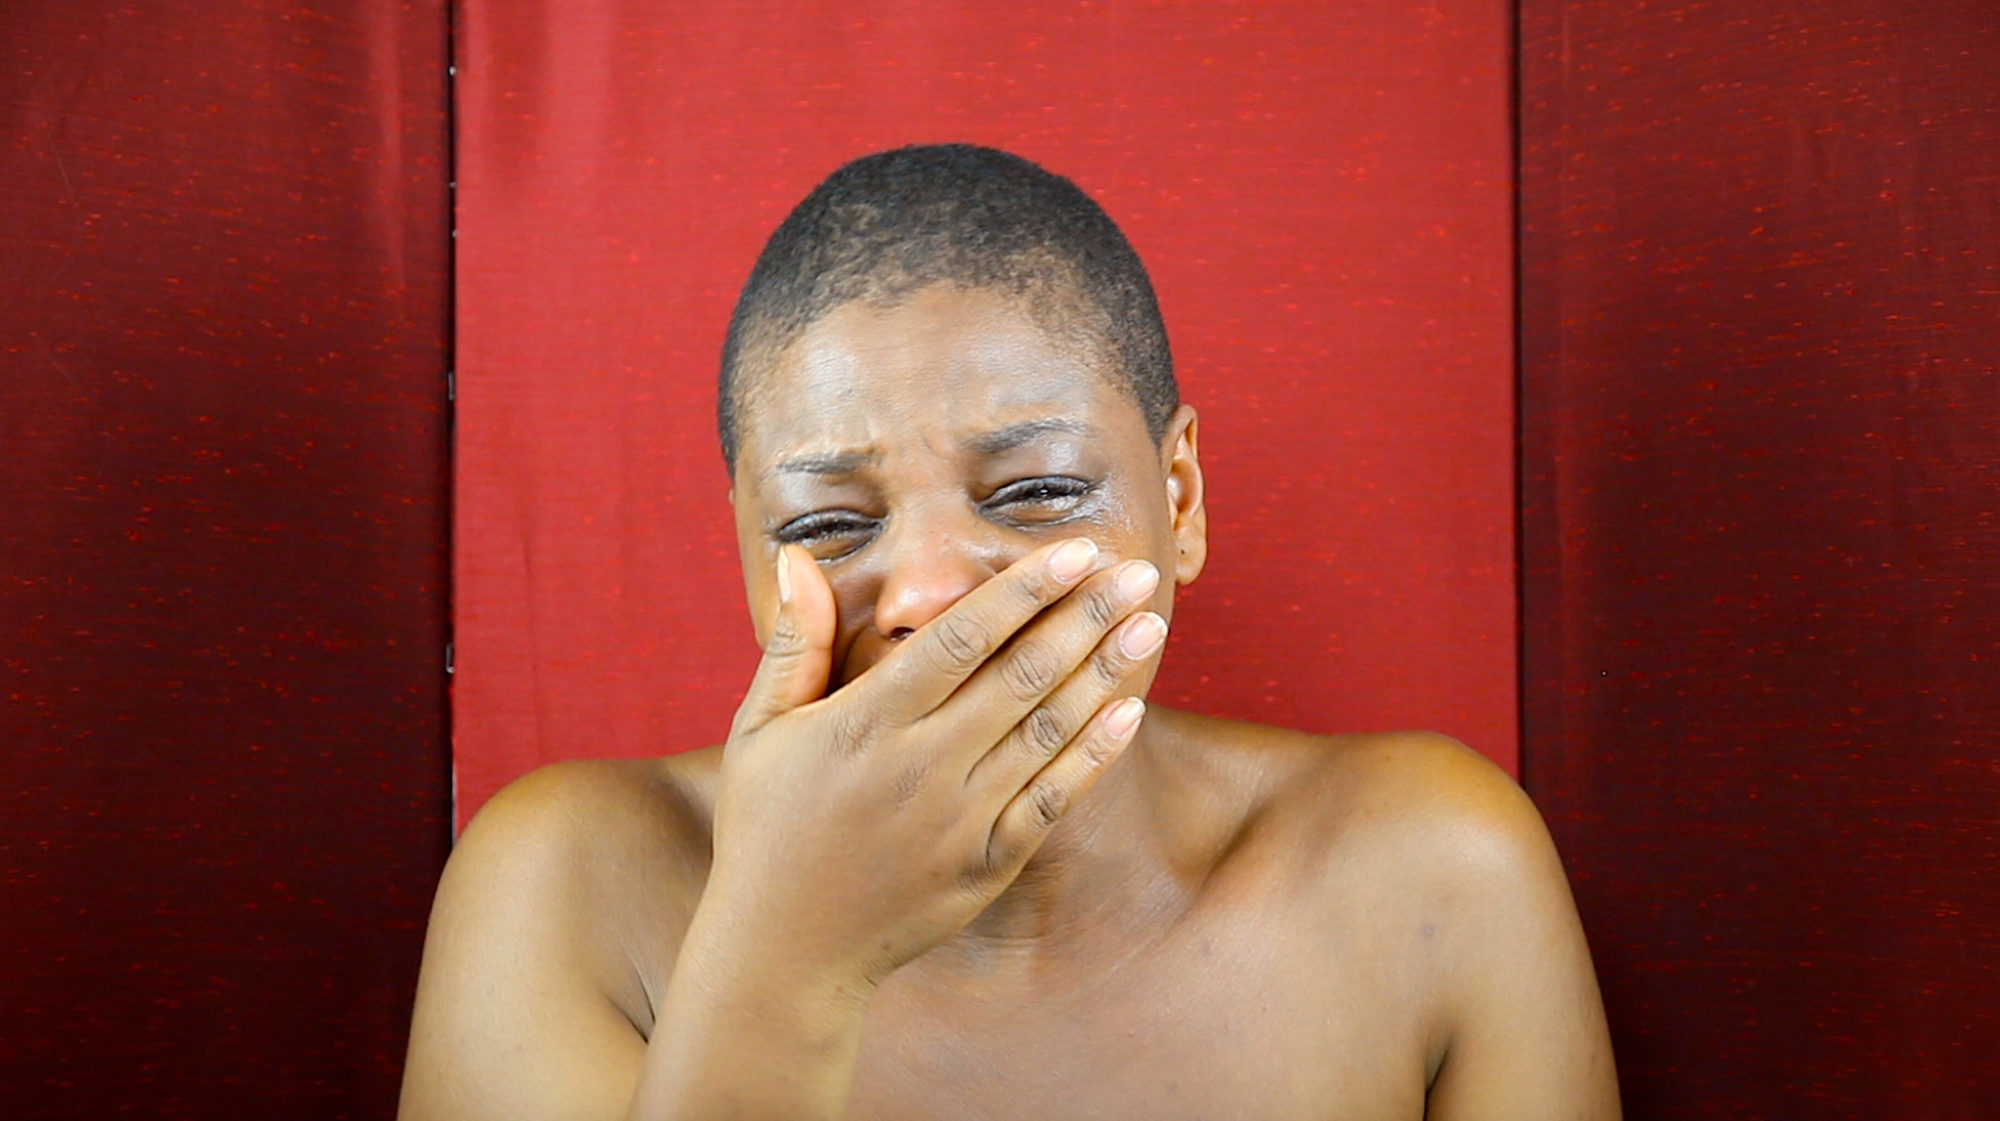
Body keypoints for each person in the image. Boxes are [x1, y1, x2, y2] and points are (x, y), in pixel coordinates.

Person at [398, 144, 1619, 1120]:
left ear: (1179, 500)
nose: (929, 589)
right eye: (828, 521)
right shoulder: (569, 887)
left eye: (1036, 491)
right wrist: (783, 958)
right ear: (748, 559)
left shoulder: (1431, 872)